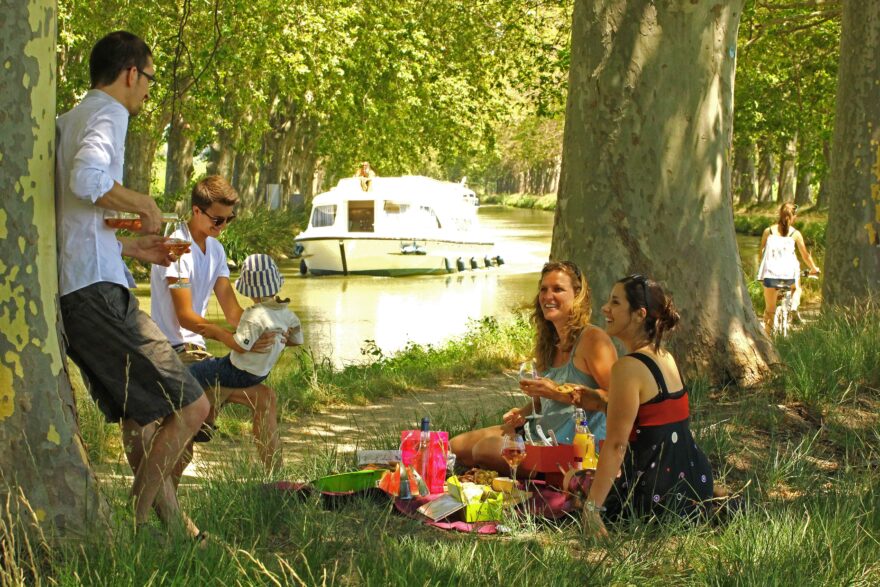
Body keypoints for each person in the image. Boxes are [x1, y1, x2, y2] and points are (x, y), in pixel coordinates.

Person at [55, 30, 209, 539]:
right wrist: (145, 204)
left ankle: (179, 533)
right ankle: (135, 524)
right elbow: (87, 181)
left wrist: (131, 248)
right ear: (130, 73)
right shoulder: (109, 112)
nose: (147, 90)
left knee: (142, 419)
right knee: (192, 405)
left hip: (80, 285)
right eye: (148, 78)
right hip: (95, 294)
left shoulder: (67, 120)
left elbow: (71, 220)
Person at [150, 176, 285, 472]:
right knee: (183, 452)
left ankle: (279, 485)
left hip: (197, 353)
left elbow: (233, 312)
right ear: (196, 211)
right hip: (172, 352)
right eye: (217, 220)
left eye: (229, 220)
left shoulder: (217, 250)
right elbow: (185, 316)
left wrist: (263, 331)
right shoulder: (176, 249)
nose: (223, 227)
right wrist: (229, 340)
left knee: (266, 397)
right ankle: (202, 414)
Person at [450, 261, 617, 474]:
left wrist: (558, 392)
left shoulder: (593, 339)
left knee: (483, 449)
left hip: (572, 448)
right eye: (544, 289)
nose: (548, 296)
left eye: (558, 289)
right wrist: (525, 411)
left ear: (578, 294)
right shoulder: (549, 341)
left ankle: (541, 479)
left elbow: (615, 400)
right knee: (455, 447)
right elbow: (548, 403)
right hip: (539, 435)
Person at [581, 275, 714, 537]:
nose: (605, 309)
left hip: (654, 497)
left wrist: (592, 510)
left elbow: (617, 445)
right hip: (694, 485)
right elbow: (655, 419)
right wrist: (599, 402)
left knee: (574, 480)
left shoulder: (627, 367)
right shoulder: (666, 357)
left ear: (640, 314)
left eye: (615, 302)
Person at [189, 254, 302, 412]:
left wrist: (217, 331)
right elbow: (296, 341)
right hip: (261, 373)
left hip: (240, 373)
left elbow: (240, 346)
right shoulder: (288, 315)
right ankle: (208, 418)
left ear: (250, 292)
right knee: (217, 364)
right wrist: (282, 338)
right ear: (276, 286)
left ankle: (199, 415)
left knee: (195, 372)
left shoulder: (253, 315)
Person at [757, 203, 820, 332]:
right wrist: (814, 268)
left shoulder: (768, 232)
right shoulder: (795, 234)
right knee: (797, 289)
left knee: (769, 311)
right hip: (789, 277)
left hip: (770, 277)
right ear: (794, 217)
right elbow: (805, 256)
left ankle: (767, 342)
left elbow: (761, 254)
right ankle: (793, 307)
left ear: (779, 214)